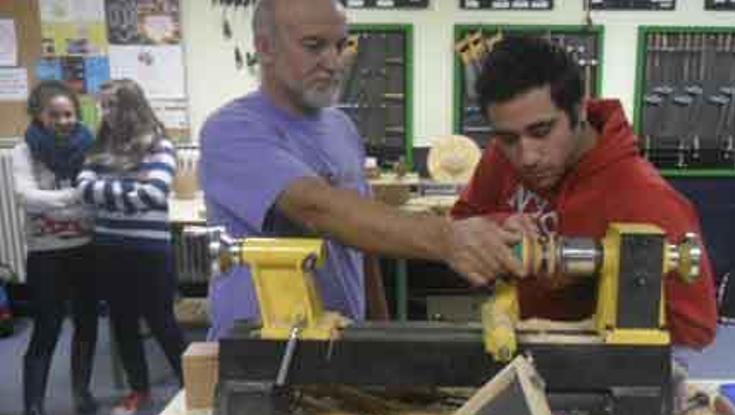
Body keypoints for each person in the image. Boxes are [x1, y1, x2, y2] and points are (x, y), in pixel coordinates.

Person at [199, 0, 524, 339]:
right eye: (314, 46)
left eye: (341, 45)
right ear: (266, 48)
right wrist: (448, 238)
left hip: (337, 344)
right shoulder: (231, 130)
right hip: (258, 352)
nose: (333, 62)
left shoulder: (341, 128)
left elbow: (362, 242)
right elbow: (317, 209)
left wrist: (380, 334)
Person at [450, 36, 718, 349]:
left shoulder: (645, 198)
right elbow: (460, 224)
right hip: (512, 348)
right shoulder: (501, 156)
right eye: (508, 138)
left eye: (542, 131)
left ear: (579, 110)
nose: (527, 157)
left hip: (591, 373)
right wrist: (498, 225)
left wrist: (599, 281)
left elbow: (697, 330)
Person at [75, 79, 186, 415]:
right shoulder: (99, 147)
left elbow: (153, 195)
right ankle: (138, 390)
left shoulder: (159, 146)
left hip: (149, 251)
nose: (106, 113)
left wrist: (103, 189)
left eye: (113, 105)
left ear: (132, 106)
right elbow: (82, 189)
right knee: (123, 323)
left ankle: (191, 385)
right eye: (103, 106)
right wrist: (126, 189)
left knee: (162, 320)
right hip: (109, 247)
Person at [12, 80, 100, 415]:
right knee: (46, 328)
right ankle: (33, 409)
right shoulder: (24, 151)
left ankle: (82, 392)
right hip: (46, 253)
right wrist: (73, 197)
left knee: (87, 324)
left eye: (69, 114)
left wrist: (58, 201)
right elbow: (25, 197)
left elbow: (95, 197)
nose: (64, 121)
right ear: (39, 115)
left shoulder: (89, 146)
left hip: (86, 249)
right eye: (55, 115)